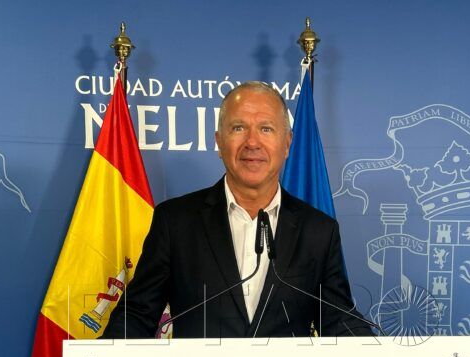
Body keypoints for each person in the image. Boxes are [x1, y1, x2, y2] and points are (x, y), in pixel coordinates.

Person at [102, 81, 372, 339]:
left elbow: (339, 320)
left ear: (287, 143)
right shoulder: (175, 222)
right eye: (239, 128)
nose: (252, 142)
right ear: (219, 142)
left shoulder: (319, 231)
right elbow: (137, 314)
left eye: (266, 129)